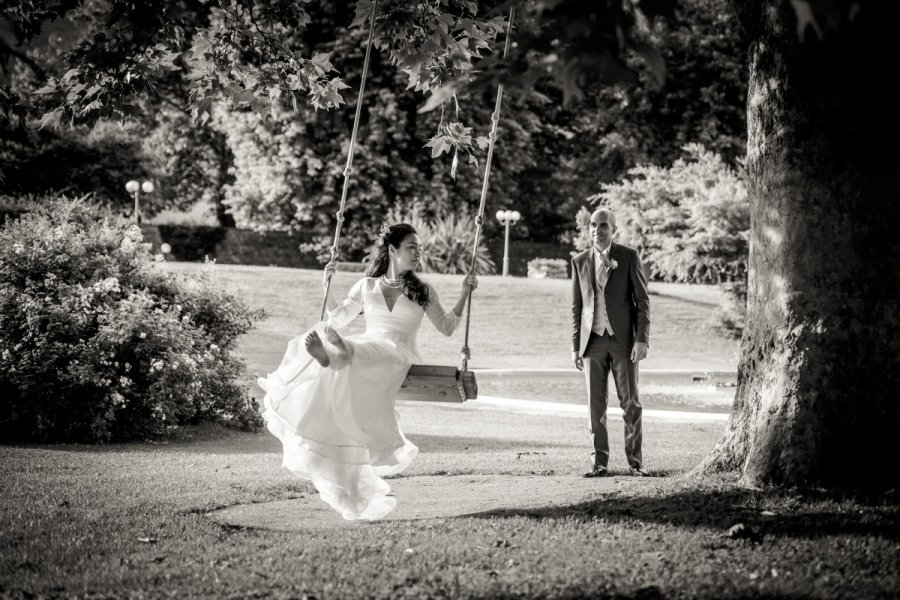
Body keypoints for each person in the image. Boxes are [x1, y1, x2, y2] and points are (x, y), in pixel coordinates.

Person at [258, 223, 478, 520]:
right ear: (392, 250)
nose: (417, 254)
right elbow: (338, 318)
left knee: (361, 349)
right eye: (411, 247)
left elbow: (448, 327)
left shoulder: (422, 290)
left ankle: (336, 355)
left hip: (399, 352)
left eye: (419, 249)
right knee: (347, 344)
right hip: (367, 348)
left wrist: (465, 292)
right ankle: (333, 357)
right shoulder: (366, 286)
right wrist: (328, 287)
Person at [571, 208, 650, 477]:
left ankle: (635, 463)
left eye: (603, 225)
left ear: (613, 229)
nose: (597, 229)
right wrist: (575, 346)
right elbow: (577, 307)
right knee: (596, 406)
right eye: (593, 225)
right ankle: (599, 463)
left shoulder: (628, 257)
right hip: (592, 343)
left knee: (631, 404)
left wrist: (641, 339)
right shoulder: (580, 261)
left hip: (623, 342)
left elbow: (643, 302)